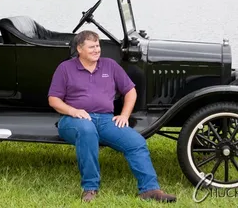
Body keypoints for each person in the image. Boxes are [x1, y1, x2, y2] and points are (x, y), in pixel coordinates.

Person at [48, 30, 176, 203]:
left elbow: (130, 91)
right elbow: (53, 100)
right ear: (79, 49)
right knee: (87, 131)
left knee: (136, 142)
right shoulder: (66, 68)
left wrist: (124, 115)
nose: (96, 50)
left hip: (106, 120)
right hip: (74, 121)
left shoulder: (109, 65)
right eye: (91, 47)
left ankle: (149, 189)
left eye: (98, 46)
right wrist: (74, 111)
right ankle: (90, 188)